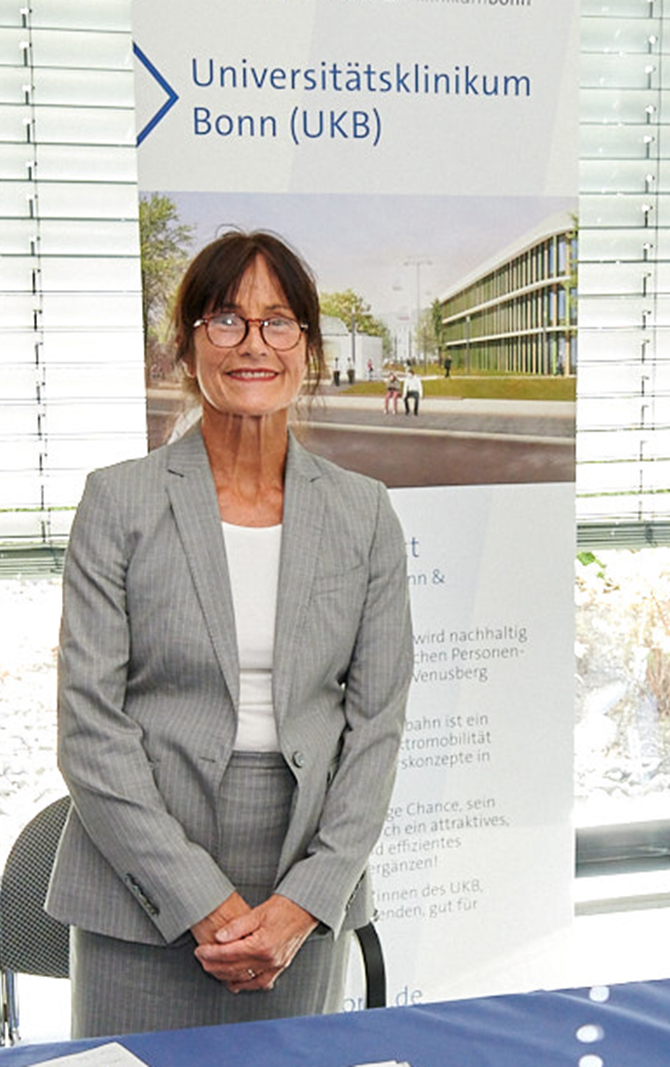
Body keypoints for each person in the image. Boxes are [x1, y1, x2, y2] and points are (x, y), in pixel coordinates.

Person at [50, 230, 414, 1036]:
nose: (254, 345)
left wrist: (303, 904)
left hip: (302, 879)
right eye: (226, 321)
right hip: (140, 880)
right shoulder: (118, 502)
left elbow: (376, 728)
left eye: (278, 323)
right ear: (187, 347)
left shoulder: (363, 512)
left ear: (309, 349)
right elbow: (88, 728)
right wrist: (199, 900)